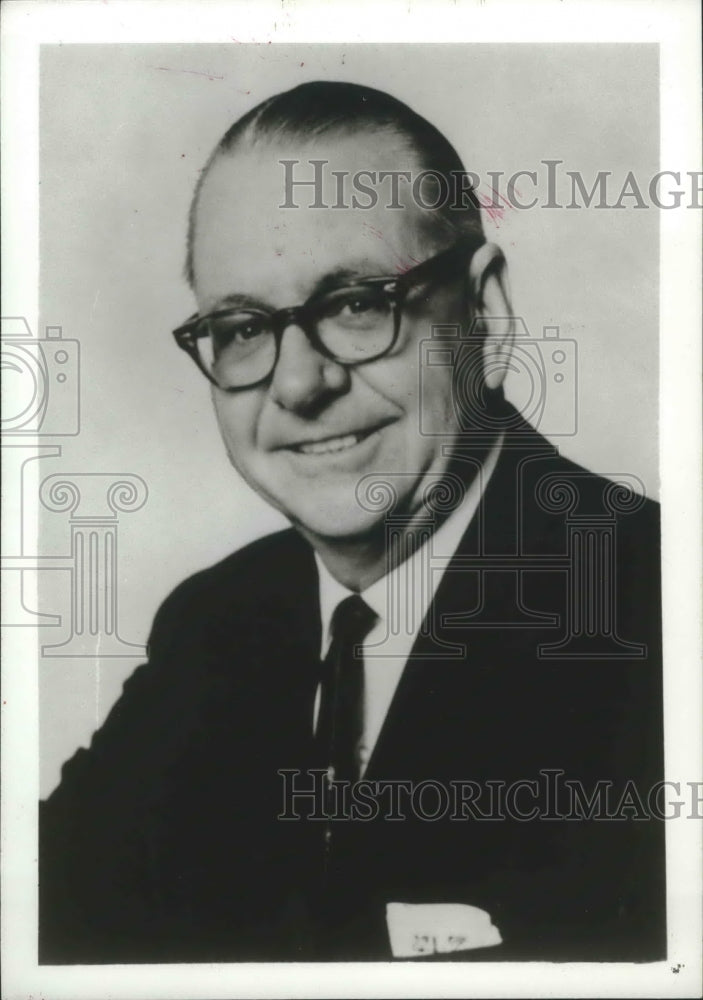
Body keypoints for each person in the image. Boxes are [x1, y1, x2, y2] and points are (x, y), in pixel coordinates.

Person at [39, 81, 665, 964]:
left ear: (483, 314)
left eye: (355, 304)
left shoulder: (666, 614)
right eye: (243, 326)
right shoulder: (217, 621)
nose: (297, 386)